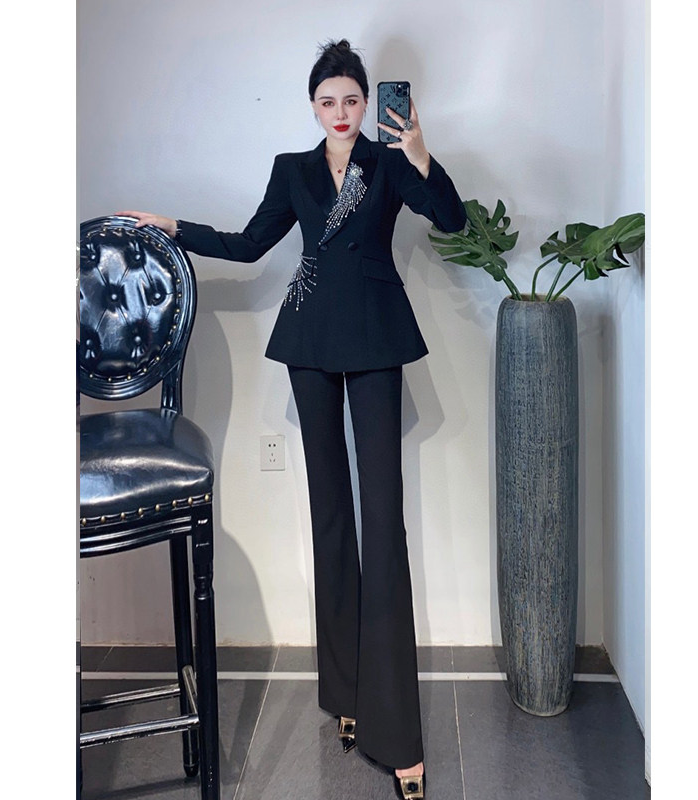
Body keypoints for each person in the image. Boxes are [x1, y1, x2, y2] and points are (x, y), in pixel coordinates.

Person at [123, 39, 466, 800]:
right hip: (309, 345)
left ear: (368, 103)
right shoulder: (293, 171)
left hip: (376, 341)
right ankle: (345, 696)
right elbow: (249, 245)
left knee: (383, 522)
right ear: (313, 107)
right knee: (331, 516)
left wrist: (419, 154)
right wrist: (173, 226)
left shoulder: (388, 163)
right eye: (328, 102)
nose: (341, 114)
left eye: (352, 101)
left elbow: (453, 218)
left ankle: (399, 739)